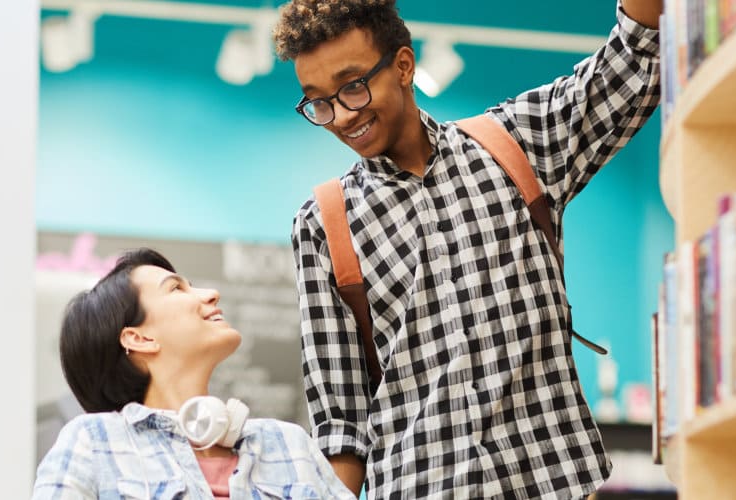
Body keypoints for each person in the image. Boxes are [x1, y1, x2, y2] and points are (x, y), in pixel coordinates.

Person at [275, 0, 664, 498]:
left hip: (552, 483)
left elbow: (632, 61)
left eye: (353, 86)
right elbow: (341, 423)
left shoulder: (516, 143)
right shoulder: (322, 225)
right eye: (319, 101)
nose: (342, 116)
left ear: (403, 66)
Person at [33, 249, 356, 500]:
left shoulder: (289, 444)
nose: (211, 293)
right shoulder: (93, 441)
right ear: (139, 338)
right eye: (176, 289)